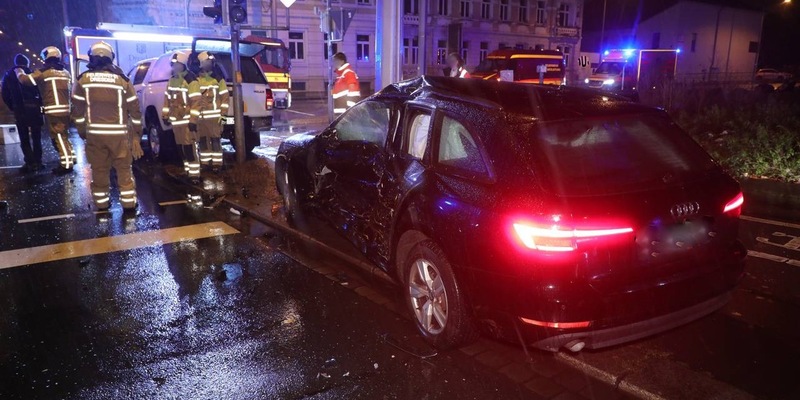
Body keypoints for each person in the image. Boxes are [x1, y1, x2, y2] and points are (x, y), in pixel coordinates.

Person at [71, 41, 143, 211]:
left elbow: (78, 112)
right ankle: (129, 203)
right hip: (119, 136)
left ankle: (102, 203)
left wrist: (83, 133)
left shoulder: (83, 80)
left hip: (95, 136)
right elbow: (135, 109)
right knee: (124, 169)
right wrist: (136, 135)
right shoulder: (122, 80)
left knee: (99, 169)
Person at [16, 46, 77, 173]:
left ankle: (66, 165)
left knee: (59, 137)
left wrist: (19, 72)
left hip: (53, 111)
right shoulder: (66, 73)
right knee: (64, 135)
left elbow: (25, 80)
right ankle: (71, 157)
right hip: (66, 110)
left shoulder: (43, 73)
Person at [162, 51, 201, 182]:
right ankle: (187, 171)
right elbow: (167, 99)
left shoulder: (190, 80)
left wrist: (193, 120)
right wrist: (165, 115)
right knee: (181, 148)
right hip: (176, 121)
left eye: (176, 64)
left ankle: (194, 174)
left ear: (183, 64)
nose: (174, 67)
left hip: (186, 122)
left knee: (189, 148)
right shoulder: (172, 81)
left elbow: (196, 102)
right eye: (172, 64)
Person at [2, 53, 44, 172]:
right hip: (34, 109)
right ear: (27, 63)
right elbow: (40, 91)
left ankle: (30, 162)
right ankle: (38, 160)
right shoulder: (33, 74)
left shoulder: (9, 75)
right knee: (36, 137)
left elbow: (5, 94)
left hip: (19, 109)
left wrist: (13, 106)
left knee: (24, 137)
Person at [189, 51, 228, 173]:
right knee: (203, 142)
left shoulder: (218, 80)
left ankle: (217, 164)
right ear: (201, 63)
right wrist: (193, 120)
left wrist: (223, 119)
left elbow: (225, 100)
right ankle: (205, 163)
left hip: (215, 118)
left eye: (211, 62)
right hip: (201, 119)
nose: (210, 63)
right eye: (207, 61)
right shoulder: (196, 81)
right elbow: (194, 101)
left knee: (216, 141)